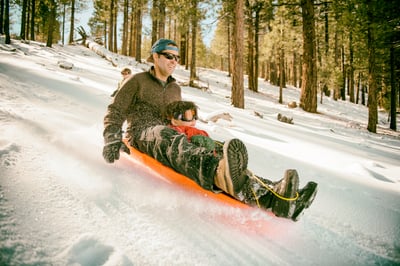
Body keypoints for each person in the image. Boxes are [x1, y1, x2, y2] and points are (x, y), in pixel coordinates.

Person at [102, 38, 317, 221]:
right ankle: (217, 172)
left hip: (170, 135)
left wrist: (188, 126)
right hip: (143, 133)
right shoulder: (136, 81)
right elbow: (116, 110)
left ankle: (276, 197)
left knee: (211, 146)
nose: (174, 61)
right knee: (166, 135)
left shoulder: (175, 88)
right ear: (155, 57)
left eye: (177, 57)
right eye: (169, 56)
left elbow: (174, 118)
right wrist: (112, 137)